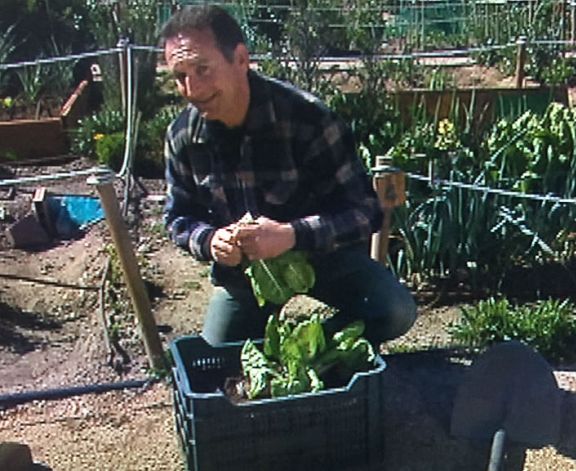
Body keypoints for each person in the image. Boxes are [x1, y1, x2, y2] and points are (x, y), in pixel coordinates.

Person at [159, 5, 416, 348]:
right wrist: (210, 240)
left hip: (323, 257)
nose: (192, 88)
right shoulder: (182, 136)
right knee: (220, 356)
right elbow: (178, 217)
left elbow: (364, 211)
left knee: (395, 310)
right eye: (180, 76)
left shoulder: (308, 119)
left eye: (203, 69)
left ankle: (309, 351)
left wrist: (290, 235)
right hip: (249, 273)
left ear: (240, 59)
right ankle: (283, 354)